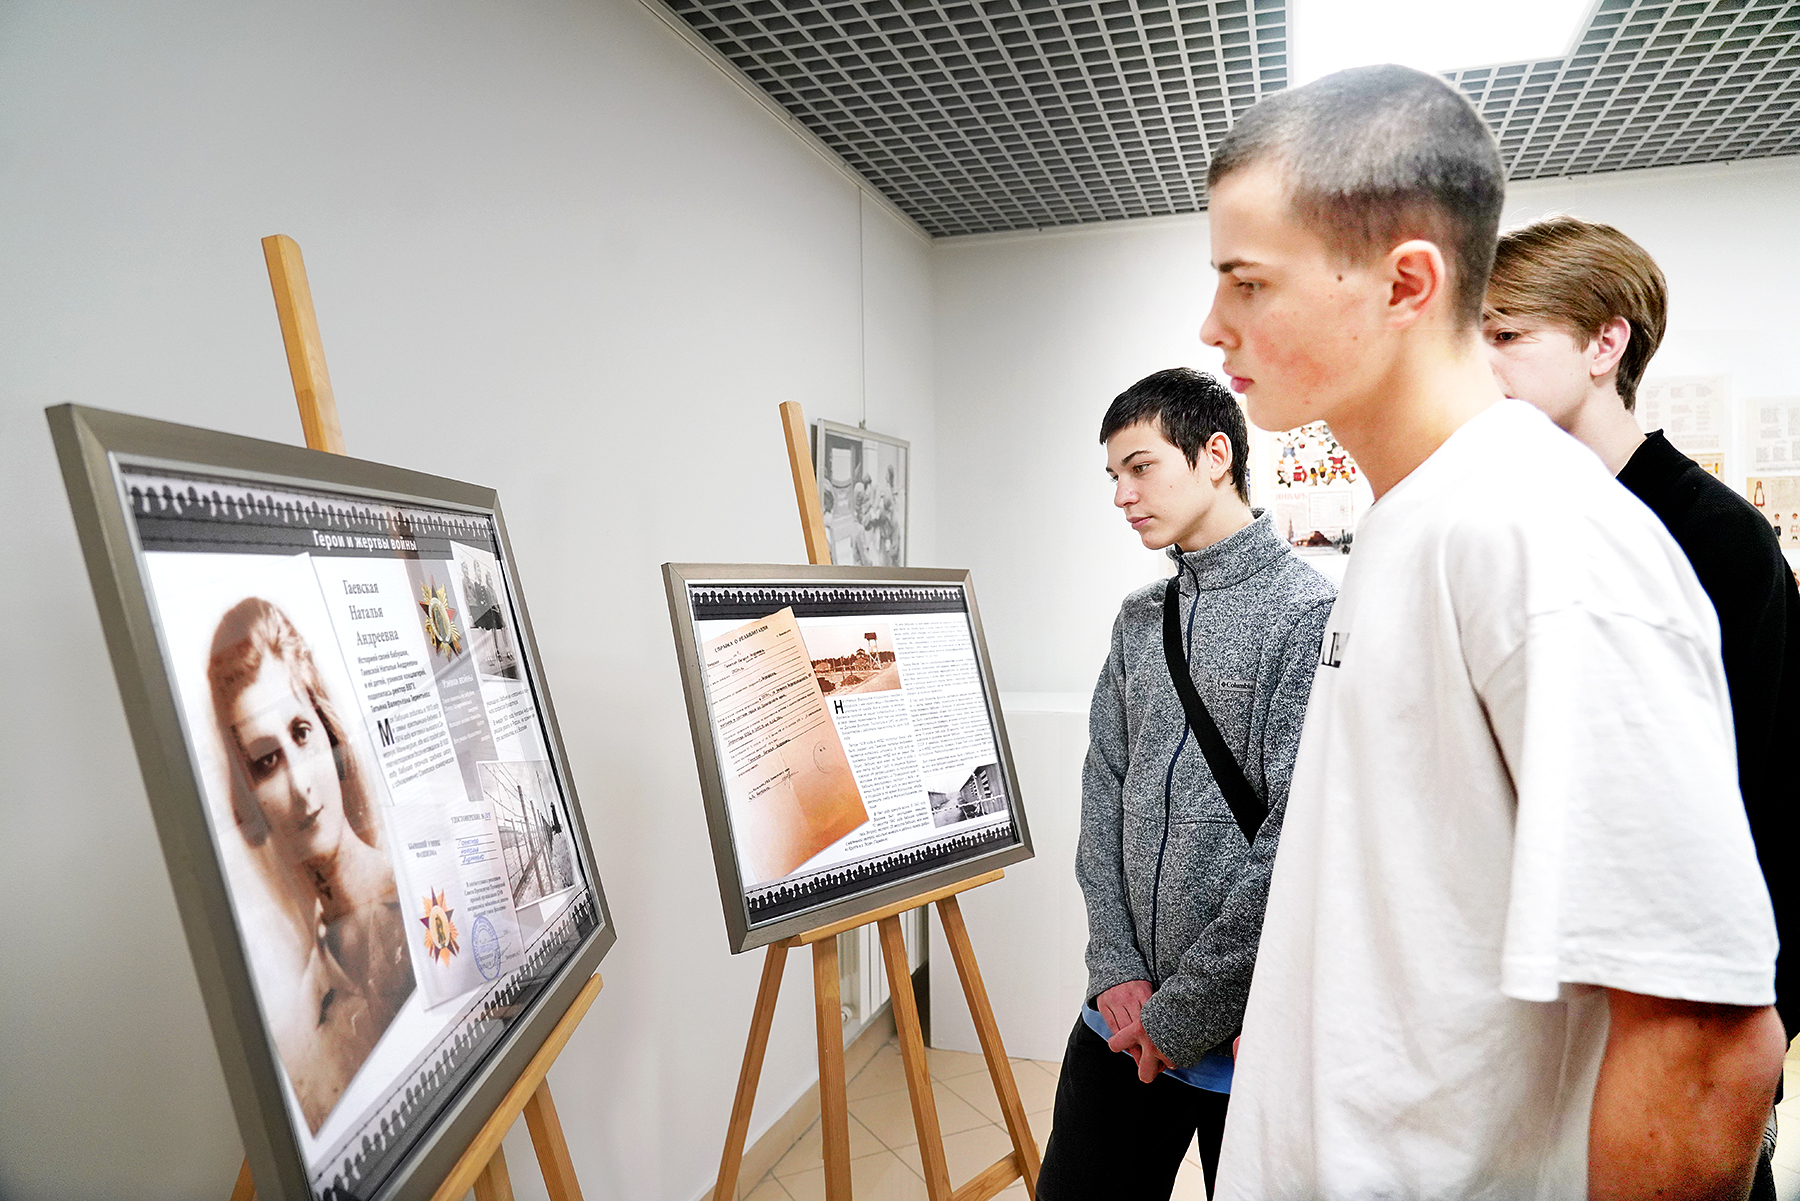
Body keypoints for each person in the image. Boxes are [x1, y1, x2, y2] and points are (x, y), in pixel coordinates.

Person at [1198, 65, 1784, 1199]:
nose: (1213, 325)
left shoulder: (1541, 536)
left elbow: (1707, 1045)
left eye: (1248, 282)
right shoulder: (1414, 518)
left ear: (1407, 283)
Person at [1484, 213, 1800, 1199]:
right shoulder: (1519, 527)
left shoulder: (1719, 538)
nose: (1483, 365)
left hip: (1683, 1012)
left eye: (1508, 335)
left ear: (1604, 344)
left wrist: (1746, 1045)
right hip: (1547, 1005)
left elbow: (1769, 794)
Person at [1036, 368, 1334, 1199]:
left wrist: (1182, 1013)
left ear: (1215, 455)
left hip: (1247, 1032)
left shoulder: (1307, 613)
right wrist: (1114, 964)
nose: (1123, 495)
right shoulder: (1139, 618)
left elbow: (1296, 837)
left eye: (1141, 467)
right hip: (1120, 1015)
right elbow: (1103, 791)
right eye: (1114, 475)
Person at [209, 597, 415, 1133]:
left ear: (328, 730)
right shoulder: (301, 1039)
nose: (300, 785)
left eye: (301, 733)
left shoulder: (428, 892)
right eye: (266, 761)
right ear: (249, 795)